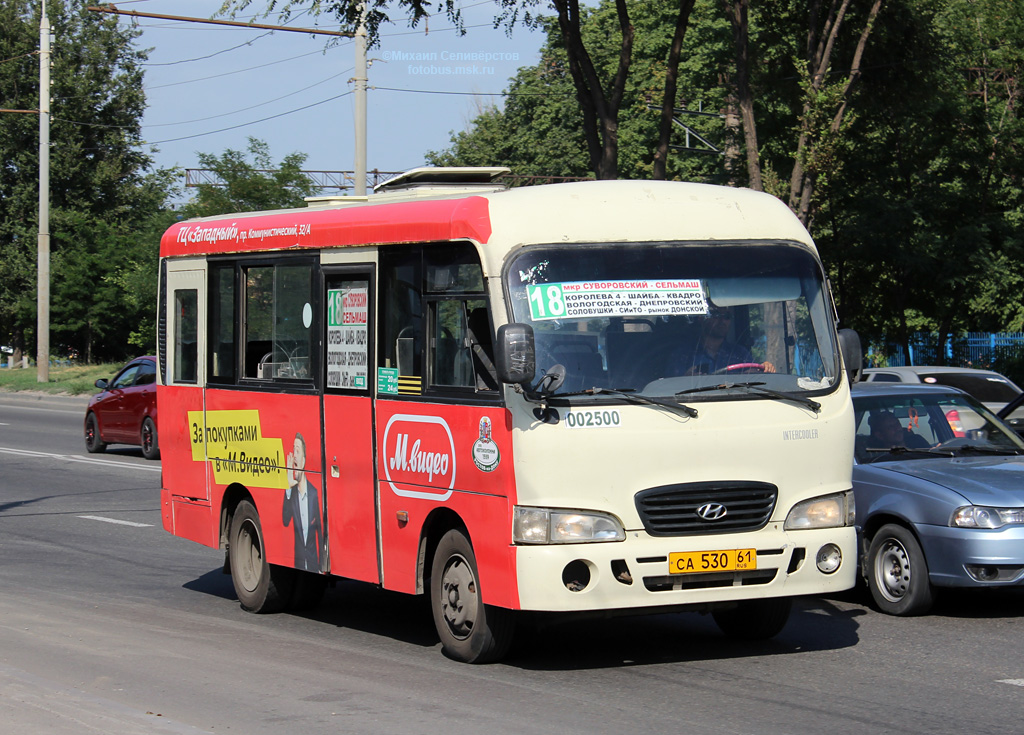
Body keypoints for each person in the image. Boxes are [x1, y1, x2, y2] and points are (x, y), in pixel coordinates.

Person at [672, 306, 776, 375]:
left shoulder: (739, 353)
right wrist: (685, 379)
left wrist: (764, 368)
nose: (722, 321)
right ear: (701, 318)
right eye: (716, 315)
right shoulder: (684, 354)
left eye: (726, 316)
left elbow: (752, 377)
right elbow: (670, 387)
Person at [282, 432, 322, 572]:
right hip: (298, 566)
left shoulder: (314, 493)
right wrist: (288, 487)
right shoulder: (291, 495)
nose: (294, 456)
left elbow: (321, 532)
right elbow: (285, 520)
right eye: (293, 450)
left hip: (313, 565)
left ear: (304, 460)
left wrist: (322, 565)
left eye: (297, 451)